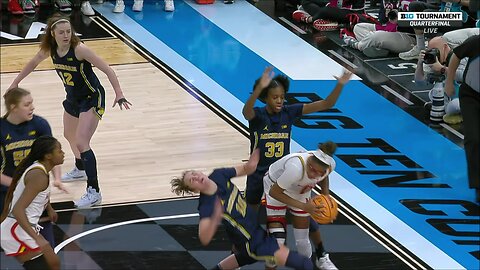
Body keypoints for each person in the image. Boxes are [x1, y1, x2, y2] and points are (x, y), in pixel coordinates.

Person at [7, 14, 132, 209]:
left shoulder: (80, 49)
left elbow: (107, 68)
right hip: (73, 97)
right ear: (53, 34)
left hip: (92, 97)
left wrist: (119, 93)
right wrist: (16, 82)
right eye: (61, 32)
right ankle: (80, 168)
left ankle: (94, 191)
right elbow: (33, 63)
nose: (66, 35)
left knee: (82, 142)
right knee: (68, 135)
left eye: (68, 31)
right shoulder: (50, 49)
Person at [242, 66, 351, 268]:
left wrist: (340, 85)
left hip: (285, 174)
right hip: (259, 175)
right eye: (275, 97)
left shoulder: (289, 112)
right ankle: (240, 256)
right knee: (248, 220)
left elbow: (327, 103)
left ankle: (321, 254)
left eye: (282, 97)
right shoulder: (256, 115)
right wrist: (258, 89)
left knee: (308, 219)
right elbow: (245, 111)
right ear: (266, 97)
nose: (280, 101)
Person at [170, 149, 314, 270]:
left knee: (241, 259)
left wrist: (256, 155)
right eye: (192, 180)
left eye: (194, 173)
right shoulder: (207, 203)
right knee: (304, 264)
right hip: (252, 242)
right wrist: (215, 217)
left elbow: (247, 168)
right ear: (194, 189)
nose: (196, 177)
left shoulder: (218, 175)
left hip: (255, 232)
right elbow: (203, 236)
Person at [1, 87, 68, 248]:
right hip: (6, 192)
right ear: (13, 107)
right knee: (8, 238)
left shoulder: (40, 124)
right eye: (27, 104)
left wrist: (57, 179)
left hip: (35, 190)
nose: (32, 107)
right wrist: (18, 184)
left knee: (45, 240)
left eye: (32, 103)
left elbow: (52, 153)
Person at [264, 141, 338, 270]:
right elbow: (274, 192)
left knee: (303, 240)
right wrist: (304, 207)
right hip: (275, 188)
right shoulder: (296, 167)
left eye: (318, 172)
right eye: (312, 169)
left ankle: (316, 262)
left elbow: (324, 178)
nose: (314, 174)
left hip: (300, 191)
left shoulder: (329, 166)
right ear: (309, 161)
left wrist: (326, 196)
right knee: (277, 243)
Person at [0, 135, 64, 270]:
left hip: (22, 226)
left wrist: (49, 208)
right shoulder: (38, 175)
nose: (63, 153)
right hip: (16, 229)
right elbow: (18, 210)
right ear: (48, 156)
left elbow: (39, 193)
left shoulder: (41, 170)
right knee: (46, 264)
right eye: (59, 151)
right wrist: (37, 237)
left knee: (54, 263)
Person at [445, 34, 479, 202]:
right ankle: (478, 185)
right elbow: (456, 56)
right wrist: (449, 82)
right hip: (471, 96)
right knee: (473, 138)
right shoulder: (476, 41)